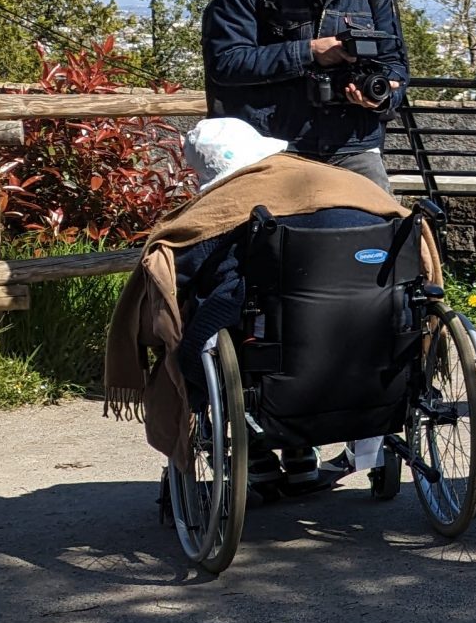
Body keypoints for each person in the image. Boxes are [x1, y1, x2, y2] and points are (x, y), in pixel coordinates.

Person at [104, 117, 435, 493]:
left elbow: (178, 273)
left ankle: (258, 448)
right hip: (373, 338)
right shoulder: (354, 188)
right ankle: (299, 450)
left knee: (202, 344)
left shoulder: (222, 208)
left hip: (278, 353)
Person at [199, 0, 410, 191]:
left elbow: (396, 67)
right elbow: (226, 63)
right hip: (267, 145)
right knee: (263, 234)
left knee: (385, 229)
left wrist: (381, 97)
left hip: (352, 146)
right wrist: (309, 52)